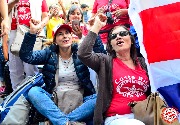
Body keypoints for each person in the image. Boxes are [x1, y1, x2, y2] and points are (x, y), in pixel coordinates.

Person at [19, 19, 105, 125]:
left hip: (80, 99)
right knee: (34, 92)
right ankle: (66, 122)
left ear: (71, 37)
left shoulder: (81, 52)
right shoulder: (48, 53)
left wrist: (95, 29)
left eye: (67, 33)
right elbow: (26, 56)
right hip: (54, 99)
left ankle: (59, 121)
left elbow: (102, 56)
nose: (65, 36)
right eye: (60, 34)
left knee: (100, 97)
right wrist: (31, 33)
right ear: (55, 40)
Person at [78, 13, 151, 125]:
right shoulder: (105, 61)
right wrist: (97, 26)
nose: (118, 37)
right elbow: (83, 54)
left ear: (131, 40)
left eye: (123, 33)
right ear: (111, 45)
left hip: (146, 117)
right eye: (113, 36)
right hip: (117, 118)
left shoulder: (143, 63)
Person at [6, 0, 49, 90]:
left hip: (32, 32)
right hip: (14, 32)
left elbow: (45, 17)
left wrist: (40, 25)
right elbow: (3, 13)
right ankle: (16, 95)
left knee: (31, 66)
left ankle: (33, 93)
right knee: (15, 67)